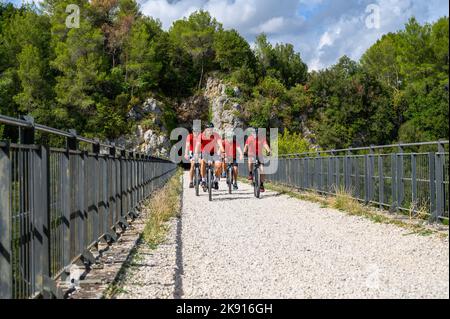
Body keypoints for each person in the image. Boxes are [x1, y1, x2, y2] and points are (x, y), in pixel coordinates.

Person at [194, 123, 224, 191]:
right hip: (204, 153)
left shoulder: (216, 135)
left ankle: (216, 181)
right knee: (202, 162)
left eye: (211, 129)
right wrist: (196, 153)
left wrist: (223, 151)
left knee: (219, 165)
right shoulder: (201, 136)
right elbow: (197, 145)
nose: (210, 131)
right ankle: (203, 180)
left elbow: (220, 144)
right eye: (208, 129)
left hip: (214, 153)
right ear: (205, 130)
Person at [243, 128, 271, 192]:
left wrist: (268, 151)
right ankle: (250, 173)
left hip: (259, 155)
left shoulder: (261, 138)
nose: (255, 135)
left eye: (256, 133)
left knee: (262, 170)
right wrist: (244, 152)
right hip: (251, 154)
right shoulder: (249, 138)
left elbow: (265, 145)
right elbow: (246, 146)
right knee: (250, 161)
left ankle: (261, 184)